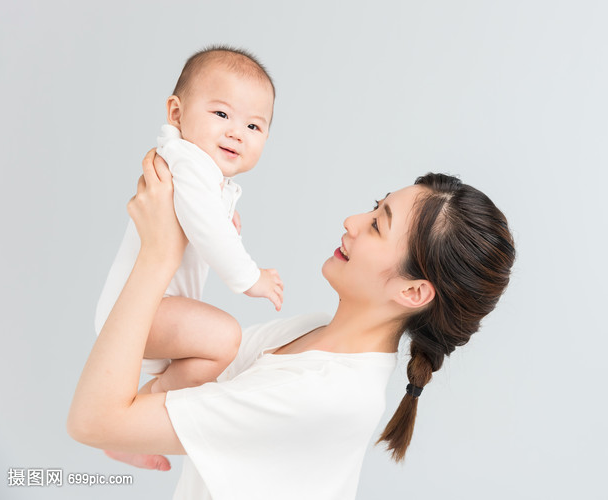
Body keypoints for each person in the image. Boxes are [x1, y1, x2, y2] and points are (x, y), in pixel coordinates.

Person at [68, 150, 516, 499]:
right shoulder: (311, 335)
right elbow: (174, 375)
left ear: (413, 292)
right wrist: (194, 244)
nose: (353, 222)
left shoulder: (327, 395)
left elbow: (93, 420)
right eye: (373, 207)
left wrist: (158, 255)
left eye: (378, 226)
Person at [94, 45, 284, 400]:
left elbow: (201, 214)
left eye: (253, 125)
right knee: (225, 337)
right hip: (144, 306)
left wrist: (223, 210)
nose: (237, 132)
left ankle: (131, 420)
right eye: (222, 114)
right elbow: (210, 233)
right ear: (176, 113)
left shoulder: (196, 170)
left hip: (155, 306)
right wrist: (251, 277)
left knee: (203, 367)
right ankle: (135, 415)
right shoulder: (190, 162)